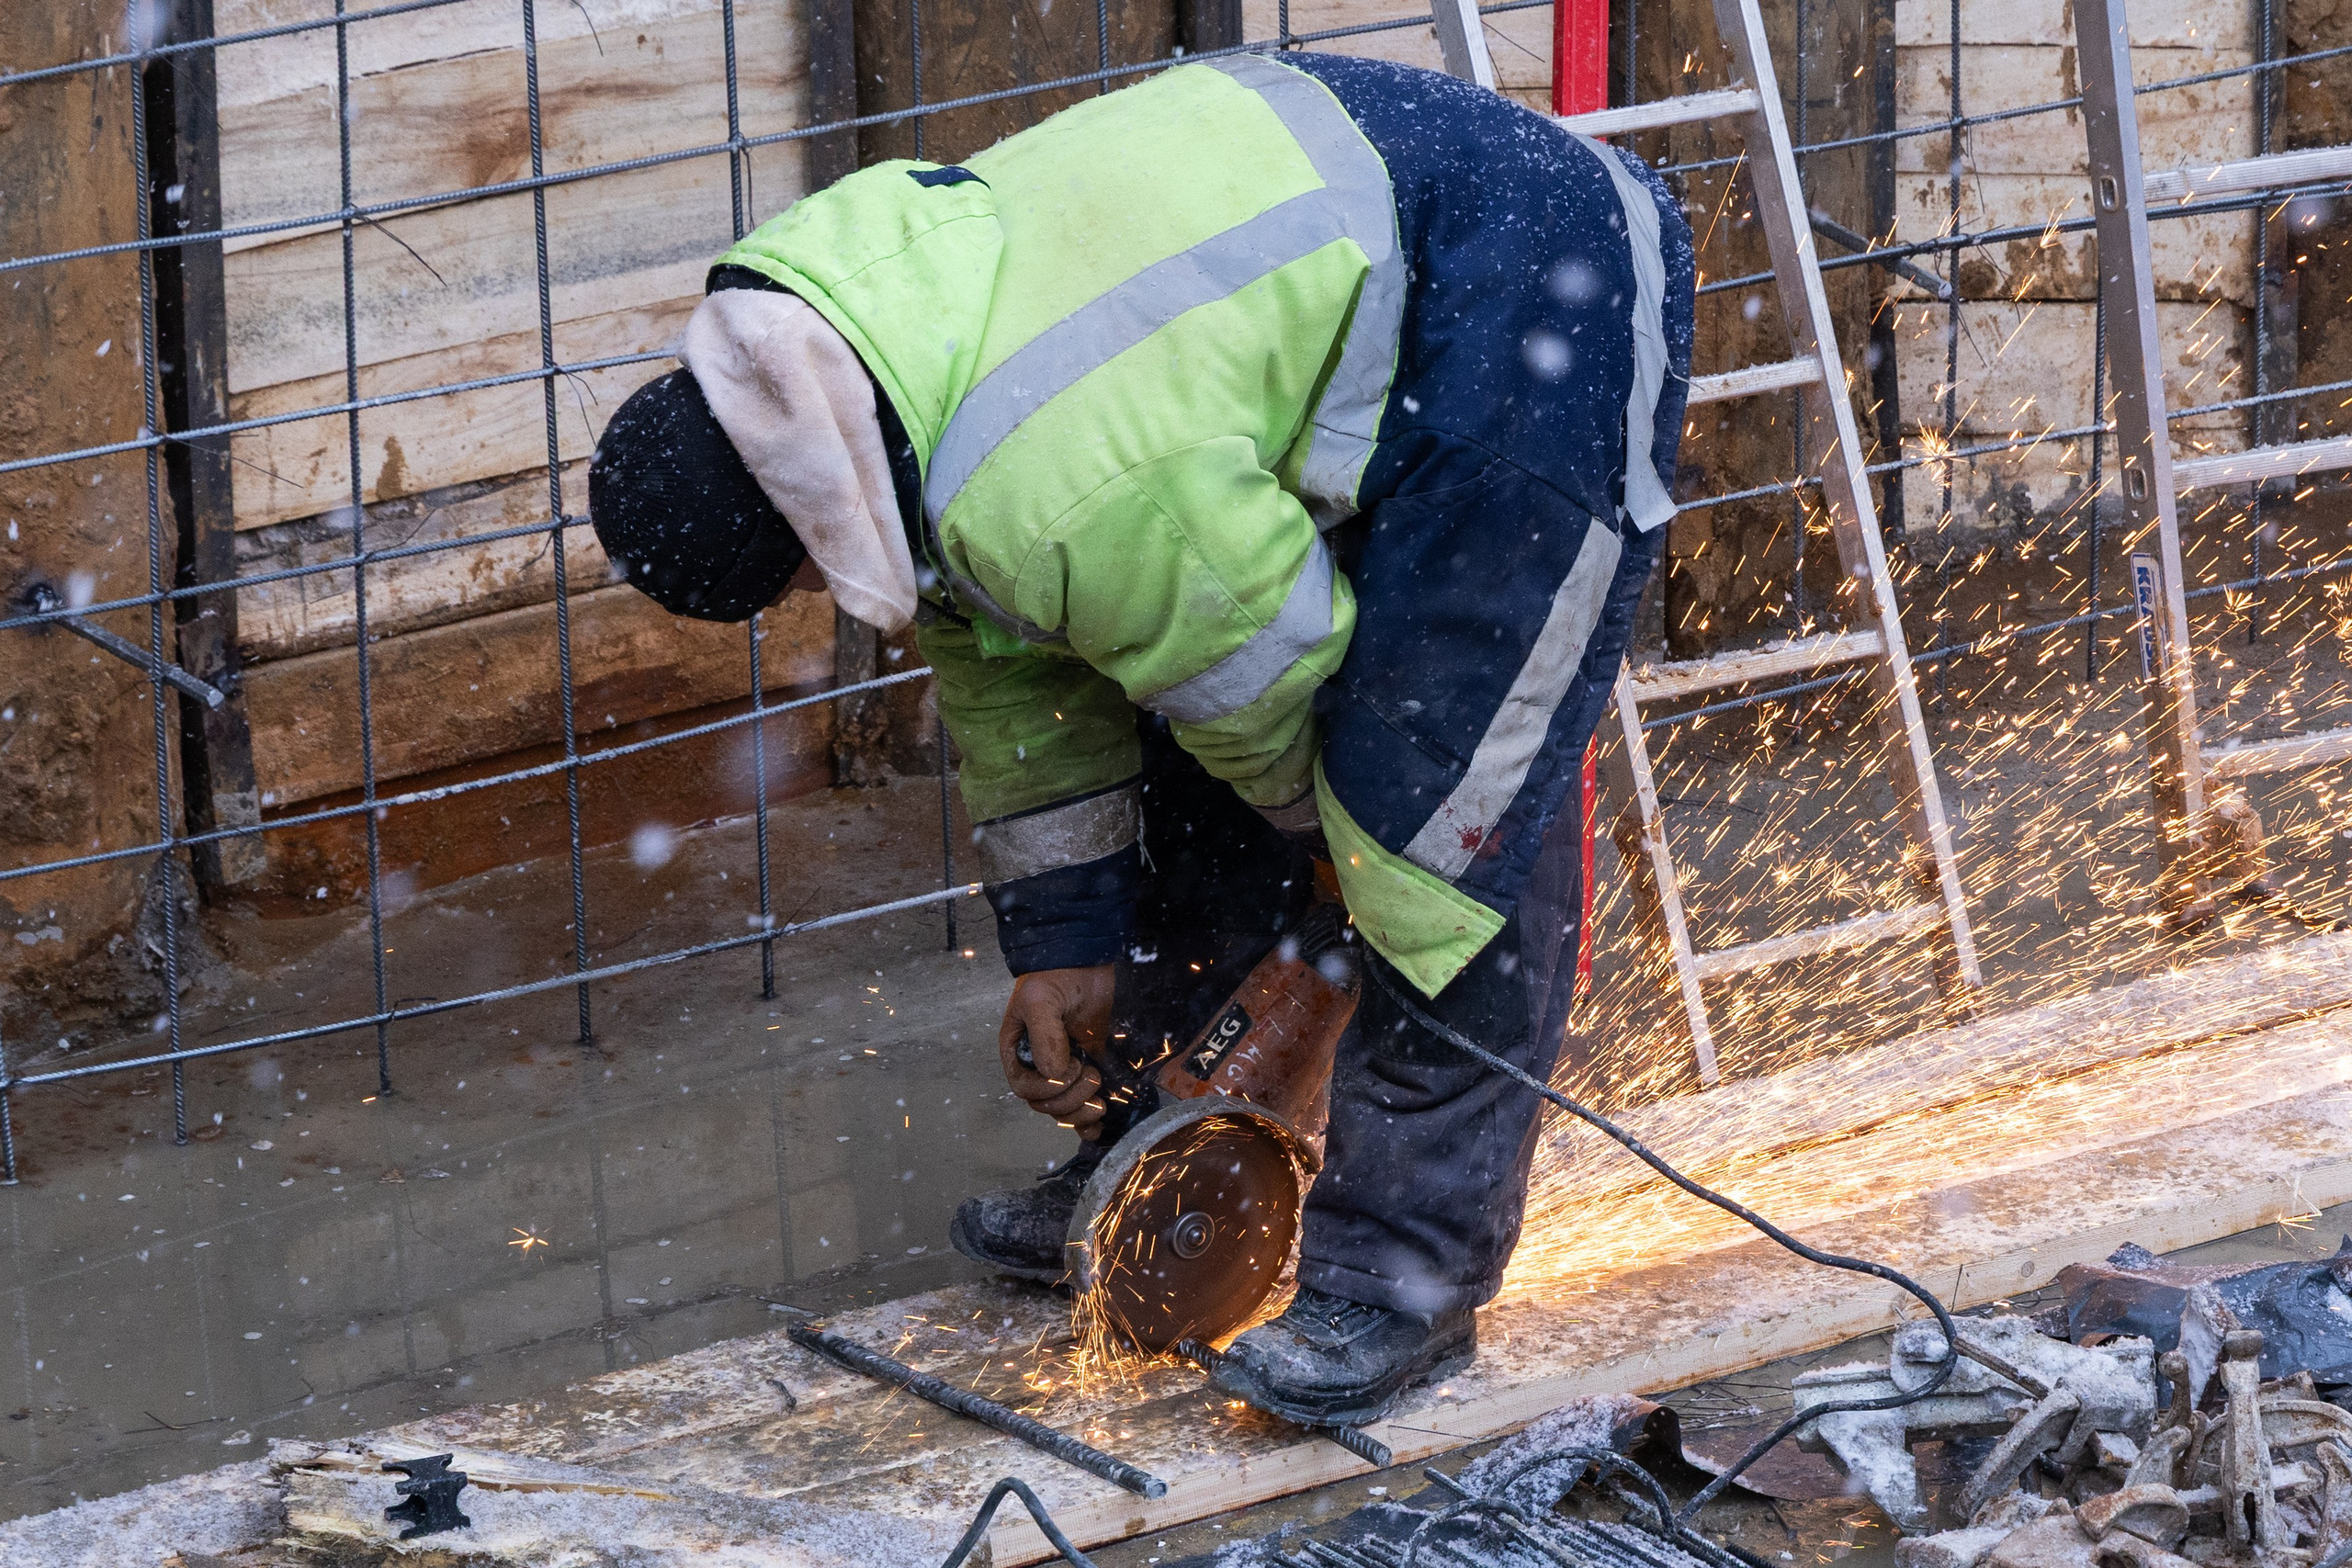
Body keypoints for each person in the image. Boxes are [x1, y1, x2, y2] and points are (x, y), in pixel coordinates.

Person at [587, 51, 1694, 1426]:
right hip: (1339, 266)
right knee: (1207, 730)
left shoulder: (1055, 479)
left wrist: (1334, 911)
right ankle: (1173, 1146)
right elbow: (1011, 663)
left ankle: (1399, 1279)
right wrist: (1065, 939)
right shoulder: (860, 363)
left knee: (1437, 811)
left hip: (1534, 294)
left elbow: (1276, 693)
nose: (822, 587)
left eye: (804, 574)